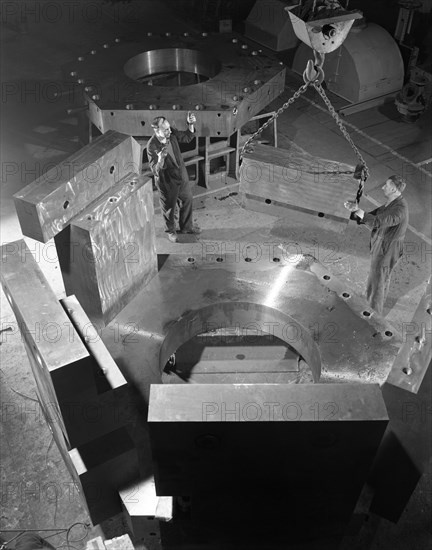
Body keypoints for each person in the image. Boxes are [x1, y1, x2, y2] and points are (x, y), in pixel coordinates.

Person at [344, 175, 409, 315]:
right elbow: (374, 216)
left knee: (377, 282)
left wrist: (358, 211)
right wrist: (356, 211)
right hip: (383, 245)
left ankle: (372, 317)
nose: (382, 187)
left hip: (387, 249)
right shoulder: (393, 202)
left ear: (393, 189)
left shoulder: (400, 209)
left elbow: (377, 222)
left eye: (386, 185)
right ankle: (373, 303)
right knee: (380, 279)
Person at [147, 112, 201, 243]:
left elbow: (187, 137)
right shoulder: (152, 146)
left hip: (181, 175)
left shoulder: (171, 134)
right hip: (167, 182)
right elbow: (155, 170)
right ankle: (170, 232)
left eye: (169, 128)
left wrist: (191, 124)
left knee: (187, 199)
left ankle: (187, 227)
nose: (169, 131)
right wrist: (160, 159)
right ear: (156, 130)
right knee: (170, 209)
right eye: (165, 130)